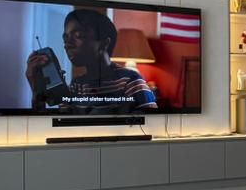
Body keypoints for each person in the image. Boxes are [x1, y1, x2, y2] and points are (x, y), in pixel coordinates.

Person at [25, 9, 157, 114]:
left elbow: (150, 123)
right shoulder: (77, 86)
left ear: (104, 43)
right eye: (65, 38)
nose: (67, 44)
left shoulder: (130, 81)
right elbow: (57, 127)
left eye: (78, 36)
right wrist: (37, 89)